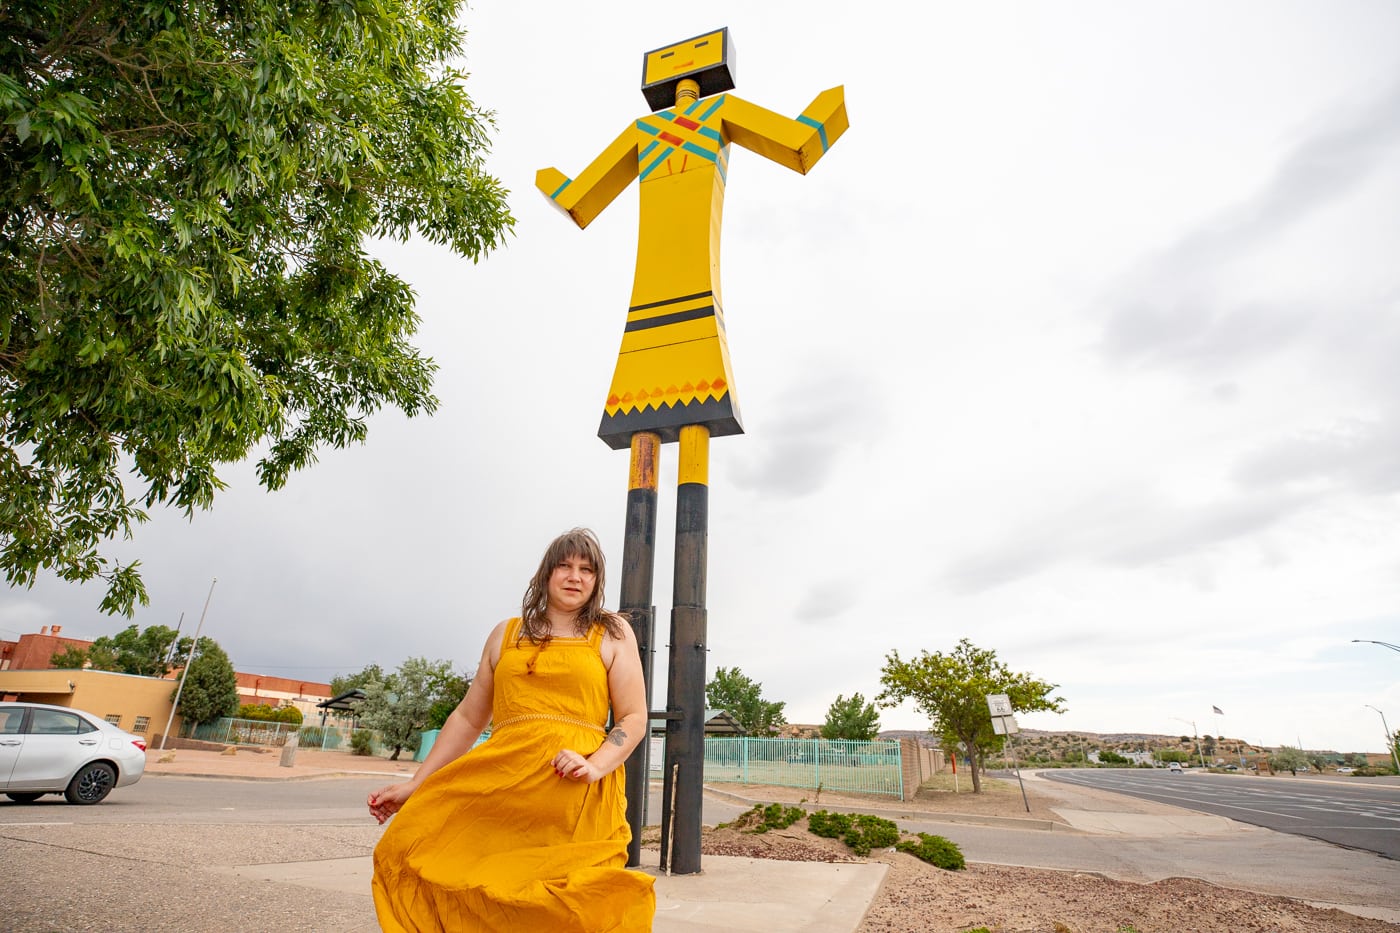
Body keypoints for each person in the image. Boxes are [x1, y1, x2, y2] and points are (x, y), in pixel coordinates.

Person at [368, 528, 656, 931]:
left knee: (575, 907)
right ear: (545, 574)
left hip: (576, 795)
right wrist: (416, 784)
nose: (575, 577)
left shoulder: (611, 632)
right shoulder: (505, 634)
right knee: (413, 855)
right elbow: (469, 718)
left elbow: (633, 718)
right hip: (499, 787)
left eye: (587, 570)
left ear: (597, 581)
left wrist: (595, 766)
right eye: (565, 566)